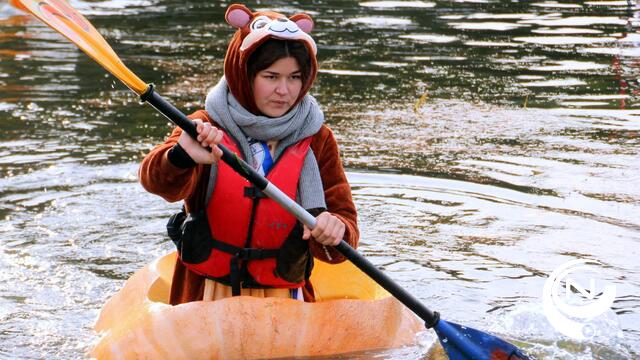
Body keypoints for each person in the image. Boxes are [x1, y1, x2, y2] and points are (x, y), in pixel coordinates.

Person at [139, 4, 359, 304]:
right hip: (203, 296)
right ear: (244, 73)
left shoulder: (317, 137)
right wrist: (182, 156)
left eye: (294, 77)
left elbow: (345, 235)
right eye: (271, 76)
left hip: (285, 299)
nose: (284, 90)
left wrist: (335, 230)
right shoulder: (204, 125)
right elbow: (155, 181)